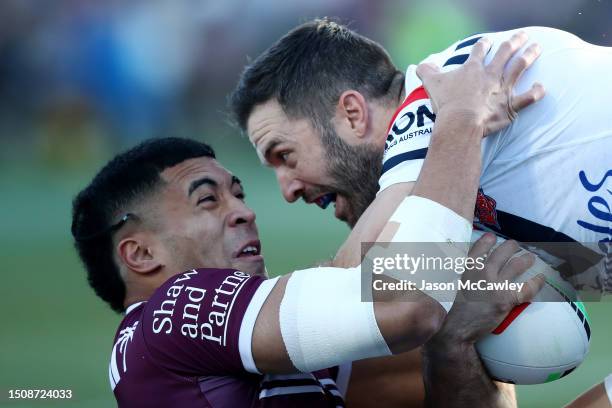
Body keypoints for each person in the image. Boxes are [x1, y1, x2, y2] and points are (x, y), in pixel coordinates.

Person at [72, 39, 544, 407]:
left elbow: (425, 319)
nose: (245, 210)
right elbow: (407, 304)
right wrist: (458, 123)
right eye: (207, 201)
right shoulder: (173, 313)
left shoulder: (265, 349)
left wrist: (457, 339)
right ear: (140, 253)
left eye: (237, 193)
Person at [230, 19, 607, 407]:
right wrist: (453, 337)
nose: (287, 190)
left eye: (284, 155)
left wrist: (225, 320)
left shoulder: (444, 97)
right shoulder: (446, 205)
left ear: (353, 114)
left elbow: (357, 290)